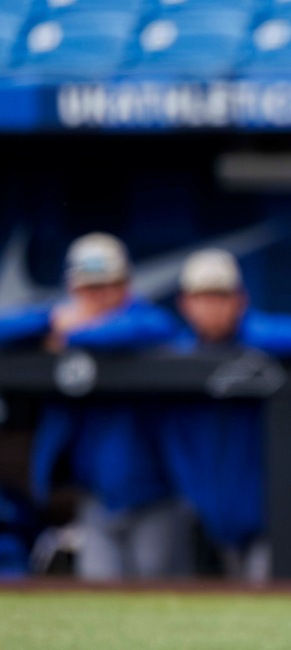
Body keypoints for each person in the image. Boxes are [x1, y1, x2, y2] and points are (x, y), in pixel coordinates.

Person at [0, 233, 182, 579]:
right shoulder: (57, 319)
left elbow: (150, 326)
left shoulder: (145, 321)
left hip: (158, 496)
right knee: (99, 596)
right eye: (87, 289)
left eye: (105, 287)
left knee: (161, 599)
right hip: (96, 500)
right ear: (72, 288)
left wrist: (73, 333)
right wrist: (51, 322)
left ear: (125, 285)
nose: (96, 298)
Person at [160, 248, 291, 580]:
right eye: (202, 297)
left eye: (220, 296)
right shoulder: (174, 356)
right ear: (185, 303)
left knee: (267, 607)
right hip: (206, 515)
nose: (212, 307)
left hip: (274, 513)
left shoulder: (267, 338)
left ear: (240, 299)